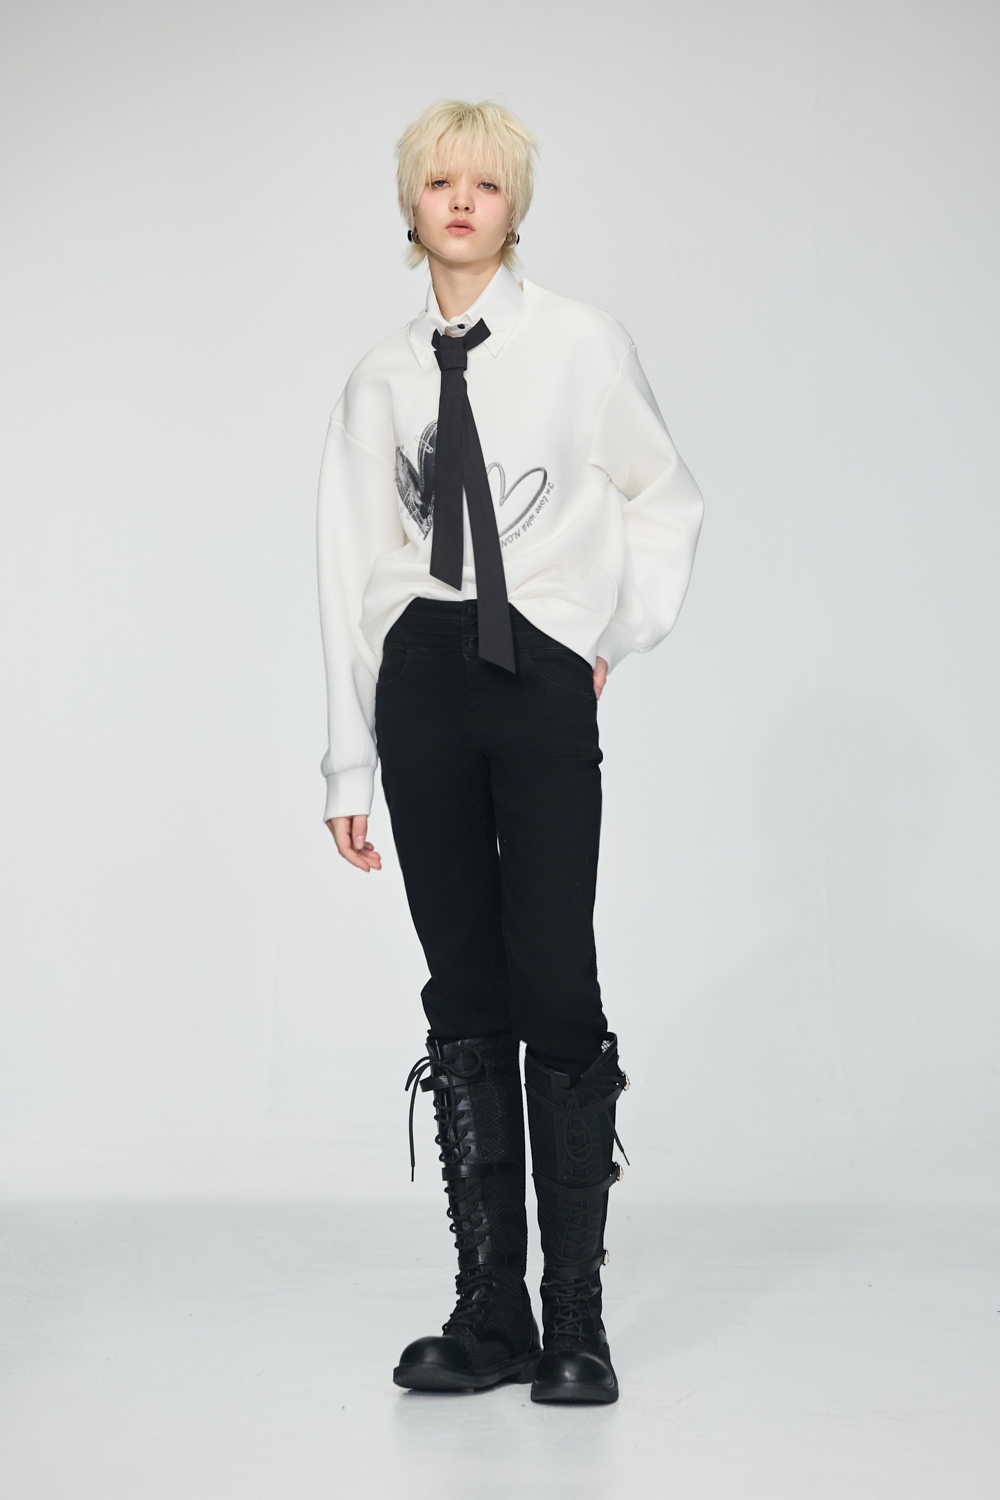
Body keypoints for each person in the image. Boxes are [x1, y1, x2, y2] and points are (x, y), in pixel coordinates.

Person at [316, 99, 703, 1404]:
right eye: (440, 183)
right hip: (422, 671)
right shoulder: (380, 378)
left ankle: (576, 1313)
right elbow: (345, 567)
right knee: (462, 979)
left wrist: (608, 632)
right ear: (411, 204)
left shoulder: (581, 344)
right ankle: (492, 1309)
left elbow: (666, 494)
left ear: (514, 205)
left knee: (555, 972)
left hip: (535, 663)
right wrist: (346, 759)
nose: (462, 202)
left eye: (485, 184)